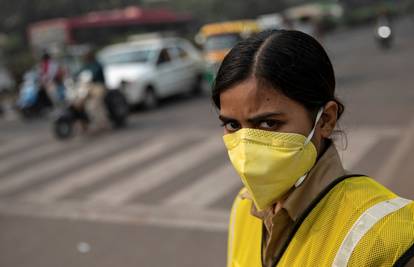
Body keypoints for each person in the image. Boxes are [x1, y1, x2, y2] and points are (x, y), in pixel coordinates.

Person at [212, 30, 414, 267]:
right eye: (232, 125)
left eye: (268, 123)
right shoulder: (244, 207)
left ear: (325, 120)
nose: (246, 147)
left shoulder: (390, 236)